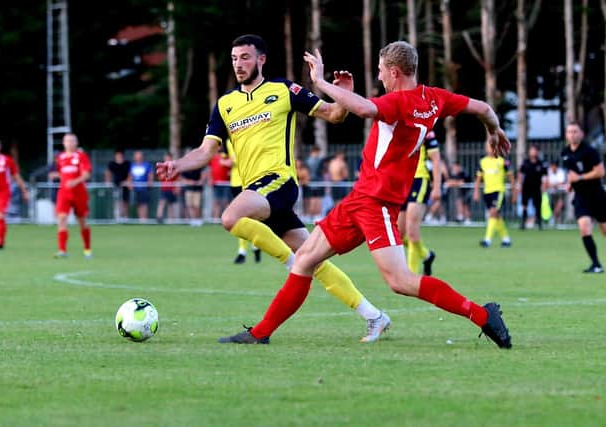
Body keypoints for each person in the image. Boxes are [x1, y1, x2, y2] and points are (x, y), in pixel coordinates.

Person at [218, 41, 512, 349]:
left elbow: (364, 108)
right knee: (304, 259)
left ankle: (482, 315)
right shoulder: (434, 98)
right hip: (359, 200)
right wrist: (495, 130)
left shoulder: (399, 101)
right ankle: (260, 332)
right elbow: (484, 109)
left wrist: (319, 83)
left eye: (381, 71)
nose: (380, 76)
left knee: (400, 281)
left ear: (395, 72)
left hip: (378, 204)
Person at [156, 34, 386, 342]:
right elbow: (205, 151)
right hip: (258, 191)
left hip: (279, 181)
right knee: (313, 260)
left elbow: (333, 114)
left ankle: (291, 264)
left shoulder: (283, 90)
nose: (239, 64)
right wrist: (178, 166)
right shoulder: (225, 105)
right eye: (235, 58)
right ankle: (375, 316)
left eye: (246, 57)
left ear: (261, 59)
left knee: (230, 218)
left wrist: (344, 94)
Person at [561, 121, 606, 273]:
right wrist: (570, 184)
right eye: (569, 132)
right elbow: (571, 174)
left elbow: (600, 172)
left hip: (597, 196)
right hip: (581, 198)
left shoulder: (590, 151)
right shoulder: (565, 153)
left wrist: (579, 178)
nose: (572, 135)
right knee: (584, 229)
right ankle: (596, 265)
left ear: (581, 134)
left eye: (575, 131)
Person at [397, 130, 441, 276]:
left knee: (412, 231)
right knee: (399, 234)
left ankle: (410, 276)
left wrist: (437, 187)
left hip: (419, 180)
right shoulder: (397, 129)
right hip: (402, 183)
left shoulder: (426, 131)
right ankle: (427, 256)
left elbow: (436, 160)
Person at [50, 133, 93, 258]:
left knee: (82, 221)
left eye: (72, 141)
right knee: (62, 219)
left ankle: (87, 249)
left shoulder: (81, 156)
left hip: (79, 193)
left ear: (76, 143)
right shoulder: (60, 158)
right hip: (64, 193)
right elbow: (60, 173)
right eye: (67, 141)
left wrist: (75, 181)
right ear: (63, 143)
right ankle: (62, 250)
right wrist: (56, 176)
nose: (69, 143)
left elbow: (86, 174)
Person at [223, 139, 261, 264]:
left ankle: (253, 246)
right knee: (239, 219)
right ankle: (244, 250)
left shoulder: (248, 136)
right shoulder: (228, 141)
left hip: (249, 181)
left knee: (251, 218)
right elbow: (224, 159)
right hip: (235, 183)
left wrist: (232, 161)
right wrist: (226, 161)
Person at [473, 141, 515, 248]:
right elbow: (478, 178)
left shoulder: (502, 161)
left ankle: (487, 240)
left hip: (498, 191)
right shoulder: (483, 162)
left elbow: (511, 177)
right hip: (487, 192)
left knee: (492, 213)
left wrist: (514, 192)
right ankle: (506, 239)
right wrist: (476, 191)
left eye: (492, 146)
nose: (490, 149)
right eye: (488, 146)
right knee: (496, 216)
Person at [516, 144, 548, 230]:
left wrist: (544, 186)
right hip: (526, 187)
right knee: (524, 205)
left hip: (537, 187)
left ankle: (539, 223)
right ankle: (523, 222)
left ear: (537, 152)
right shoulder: (525, 162)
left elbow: (545, 176)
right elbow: (520, 175)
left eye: (535, 150)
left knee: (538, 205)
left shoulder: (541, 163)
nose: (533, 152)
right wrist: (519, 185)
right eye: (531, 150)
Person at [105, 149, 131, 221]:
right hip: (115, 185)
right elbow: (107, 173)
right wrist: (108, 182)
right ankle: (117, 217)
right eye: (117, 155)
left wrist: (128, 182)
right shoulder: (112, 163)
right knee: (116, 201)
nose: (119, 156)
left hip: (125, 185)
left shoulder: (127, 163)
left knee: (125, 201)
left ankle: (125, 218)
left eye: (120, 155)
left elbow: (130, 174)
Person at [128, 150, 153, 221]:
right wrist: (130, 184)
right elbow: (130, 176)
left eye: (139, 155)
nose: (138, 157)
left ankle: (144, 219)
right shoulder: (132, 165)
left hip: (144, 188)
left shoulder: (146, 165)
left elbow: (150, 174)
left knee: (144, 204)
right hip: (136, 189)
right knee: (138, 204)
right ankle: (140, 219)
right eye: (136, 156)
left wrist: (149, 182)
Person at [156, 152, 180, 223]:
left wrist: (177, 188)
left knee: (171, 204)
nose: (166, 159)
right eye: (166, 158)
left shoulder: (174, 167)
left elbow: (177, 178)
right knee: (162, 202)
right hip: (164, 189)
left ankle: (171, 220)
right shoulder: (162, 167)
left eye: (168, 158)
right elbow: (160, 177)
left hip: (172, 188)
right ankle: (159, 217)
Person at [209, 148, 232, 219]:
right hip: (216, 184)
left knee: (227, 202)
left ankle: (227, 218)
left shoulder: (226, 156)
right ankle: (216, 219)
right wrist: (210, 179)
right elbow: (211, 170)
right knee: (216, 202)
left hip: (226, 183)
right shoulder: (213, 158)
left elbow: (231, 166)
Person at [304, 145, 324, 219]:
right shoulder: (318, 160)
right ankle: (313, 216)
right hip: (315, 181)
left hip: (311, 181)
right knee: (314, 199)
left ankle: (312, 216)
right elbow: (320, 171)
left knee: (313, 199)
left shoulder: (307, 160)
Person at [546, 159, 567, 225]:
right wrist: (554, 185)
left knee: (560, 204)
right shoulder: (548, 171)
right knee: (552, 205)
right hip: (551, 192)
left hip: (560, 191)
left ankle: (553, 218)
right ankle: (555, 218)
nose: (553, 167)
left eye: (554, 166)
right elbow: (546, 183)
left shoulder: (561, 172)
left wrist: (552, 185)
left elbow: (561, 183)